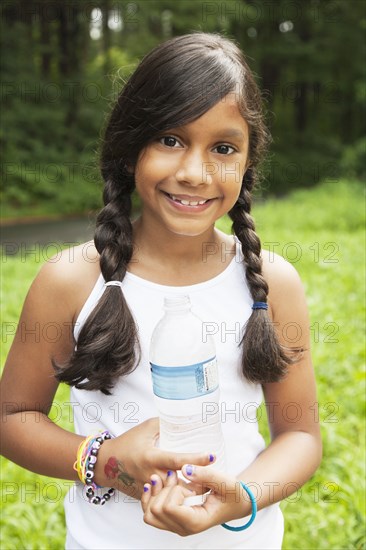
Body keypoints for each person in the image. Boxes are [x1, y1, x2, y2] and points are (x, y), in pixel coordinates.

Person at [1, 32, 322, 549]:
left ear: (247, 162)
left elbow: (301, 435)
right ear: (130, 150)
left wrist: (240, 496)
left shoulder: (272, 283)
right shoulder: (70, 280)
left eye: (222, 148)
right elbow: (13, 417)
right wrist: (105, 461)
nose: (194, 172)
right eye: (170, 140)